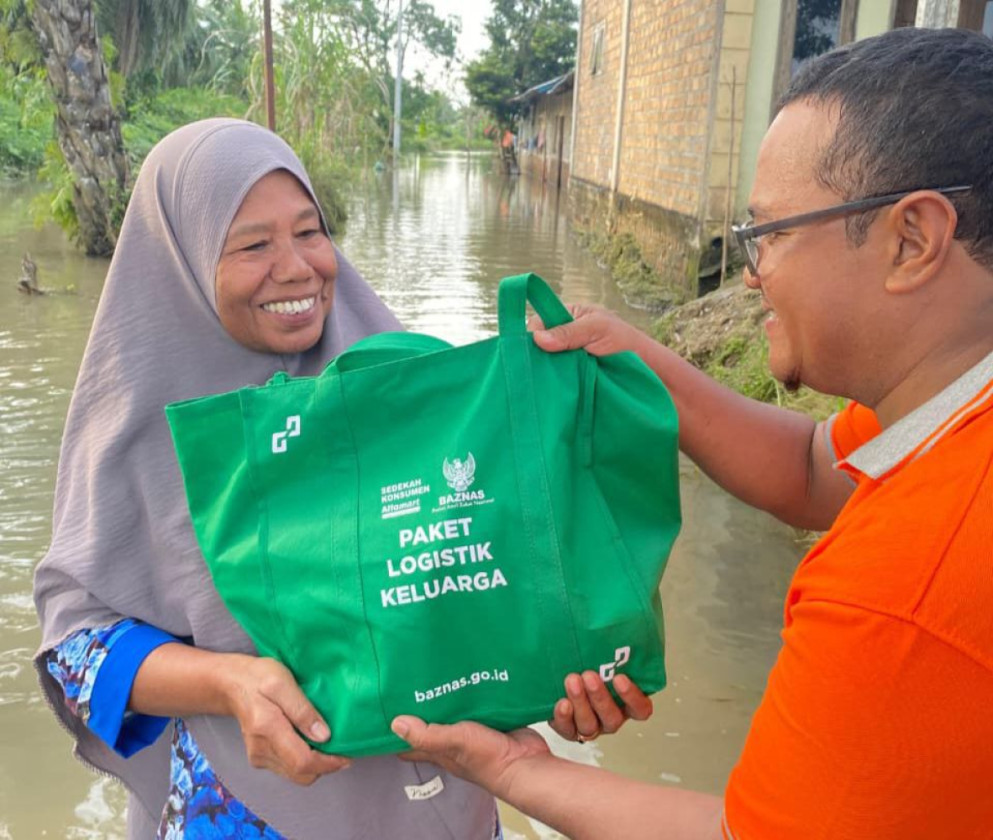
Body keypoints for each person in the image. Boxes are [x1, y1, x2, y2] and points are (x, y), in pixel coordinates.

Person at [390, 27, 993, 840]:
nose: (748, 271)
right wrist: (640, 356)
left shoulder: (899, 591)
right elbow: (817, 471)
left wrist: (509, 770)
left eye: (770, 233)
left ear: (911, 240)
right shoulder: (947, 409)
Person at [33, 118, 630, 839]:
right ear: (181, 259)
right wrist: (228, 683)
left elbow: (485, 571)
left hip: (450, 798)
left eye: (310, 232)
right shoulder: (133, 429)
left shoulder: (400, 384)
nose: (297, 268)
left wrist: (563, 670)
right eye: (253, 244)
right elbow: (76, 647)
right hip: (249, 809)